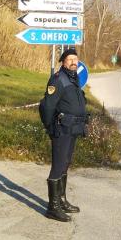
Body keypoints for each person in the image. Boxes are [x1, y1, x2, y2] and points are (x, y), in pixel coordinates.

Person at [40, 48, 87, 222]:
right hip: (61, 129)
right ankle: (52, 208)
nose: (73, 62)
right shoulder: (58, 79)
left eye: (75, 59)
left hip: (73, 128)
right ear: (63, 62)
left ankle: (62, 200)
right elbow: (48, 106)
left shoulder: (74, 79)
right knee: (58, 166)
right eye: (70, 59)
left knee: (65, 164)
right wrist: (50, 126)